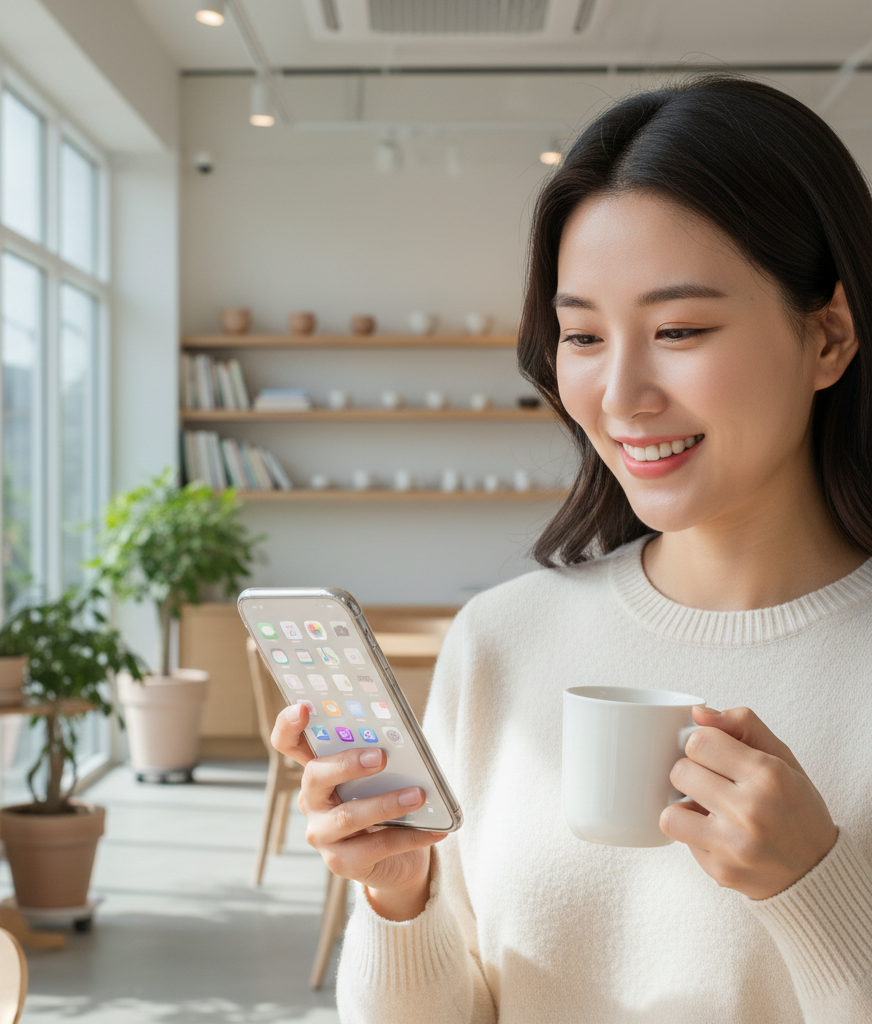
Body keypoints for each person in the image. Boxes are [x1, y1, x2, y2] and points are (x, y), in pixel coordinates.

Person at [272, 76, 872, 1023]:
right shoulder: (500, 642)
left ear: (829, 336)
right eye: (583, 334)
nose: (621, 394)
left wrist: (815, 888)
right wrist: (399, 895)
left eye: (679, 329)